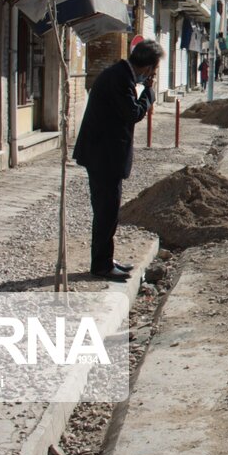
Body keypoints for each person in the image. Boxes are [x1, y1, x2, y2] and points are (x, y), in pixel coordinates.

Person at [72, 40, 164, 281]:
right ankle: (101, 266)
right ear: (147, 67)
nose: (152, 75)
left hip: (104, 155)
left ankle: (104, 259)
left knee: (108, 211)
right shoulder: (120, 78)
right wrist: (149, 95)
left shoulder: (120, 75)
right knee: (106, 211)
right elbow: (132, 113)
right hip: (104, 156)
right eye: (153, 69)